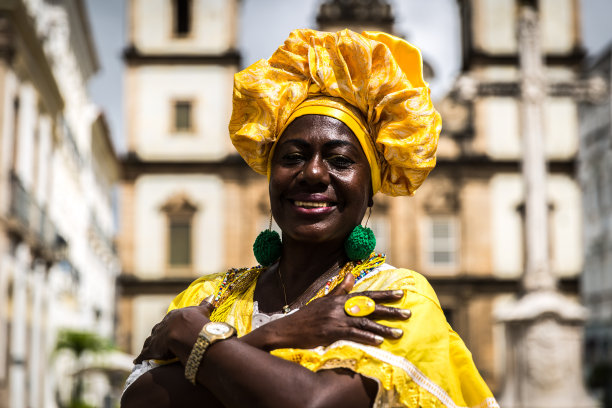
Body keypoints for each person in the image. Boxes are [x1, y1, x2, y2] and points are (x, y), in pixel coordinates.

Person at [121, 29, 499, 408]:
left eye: (340, 160)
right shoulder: (209, 294)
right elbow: (137, 400)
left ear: (371, 190)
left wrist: (190, 336)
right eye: (293, 157)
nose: (314, 174)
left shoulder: (395, 296)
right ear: (269, 177)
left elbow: (316, 403)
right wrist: (279, 333)